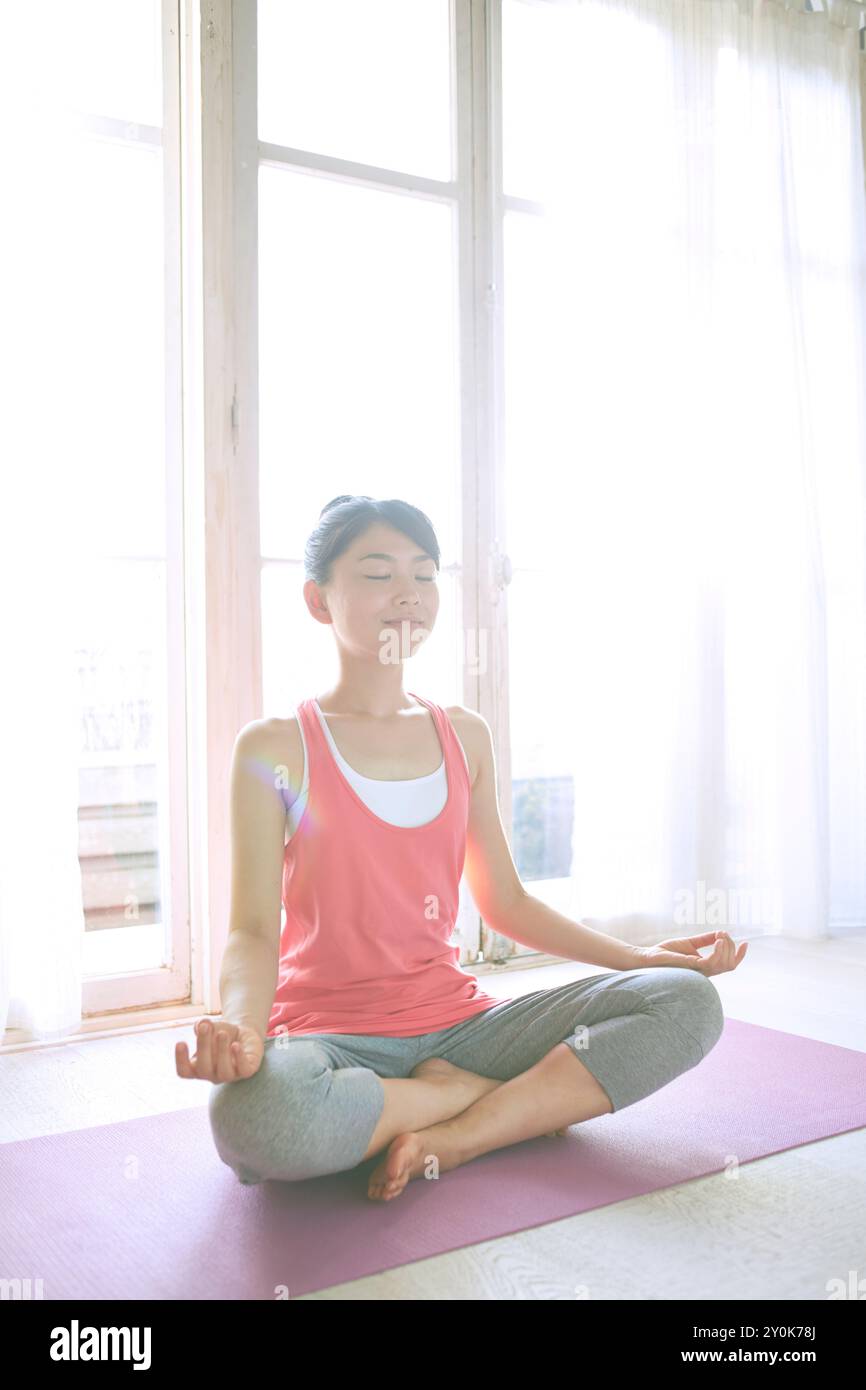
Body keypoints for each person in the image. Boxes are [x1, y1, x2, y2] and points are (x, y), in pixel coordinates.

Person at [176, 495, 747, 1202]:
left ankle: (458, 1133)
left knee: (686, 1003)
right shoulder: (274, 746)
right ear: (318, 600)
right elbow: (254, 930)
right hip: (330, 1037)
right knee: (253, 1119)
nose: (408, 594)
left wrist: (641, 957)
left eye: (424, 573)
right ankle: (482, 1100)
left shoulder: (464, 735)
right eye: (379, 573)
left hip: (463, 1026)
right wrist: (242, 1030)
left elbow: (504, 901)